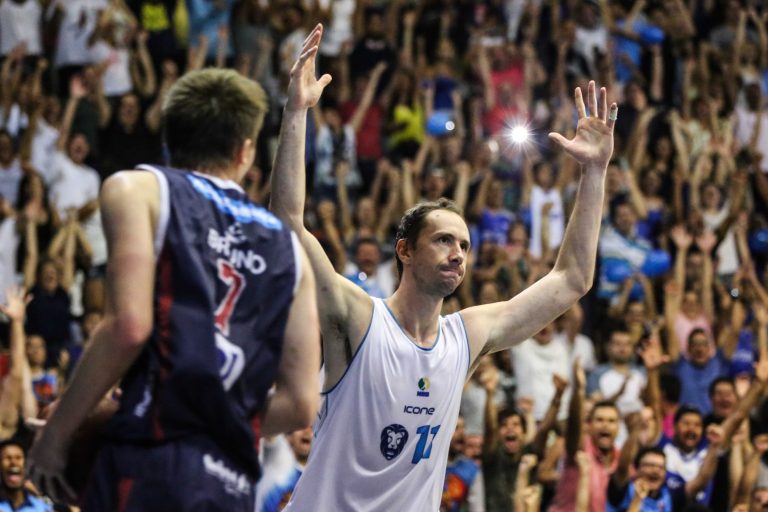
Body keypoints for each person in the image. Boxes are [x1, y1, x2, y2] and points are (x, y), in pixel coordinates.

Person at [270, 23, 617, 511]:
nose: (458, 253)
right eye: (443, 240)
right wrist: (296, 111)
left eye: (465, 245)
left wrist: (594, 172)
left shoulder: (466, 336)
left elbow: (572, 279)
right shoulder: (358, 317)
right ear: (405, 251)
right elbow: (288, 222)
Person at [25, 67, 321, 511]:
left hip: (150, 459)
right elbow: (300, 404)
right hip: (230, 483)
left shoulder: (138, 189)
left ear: (168, 139)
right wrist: (215, 417)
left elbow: (128, 328)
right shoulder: (289, 249)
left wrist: (56, 436)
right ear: (244, 151)